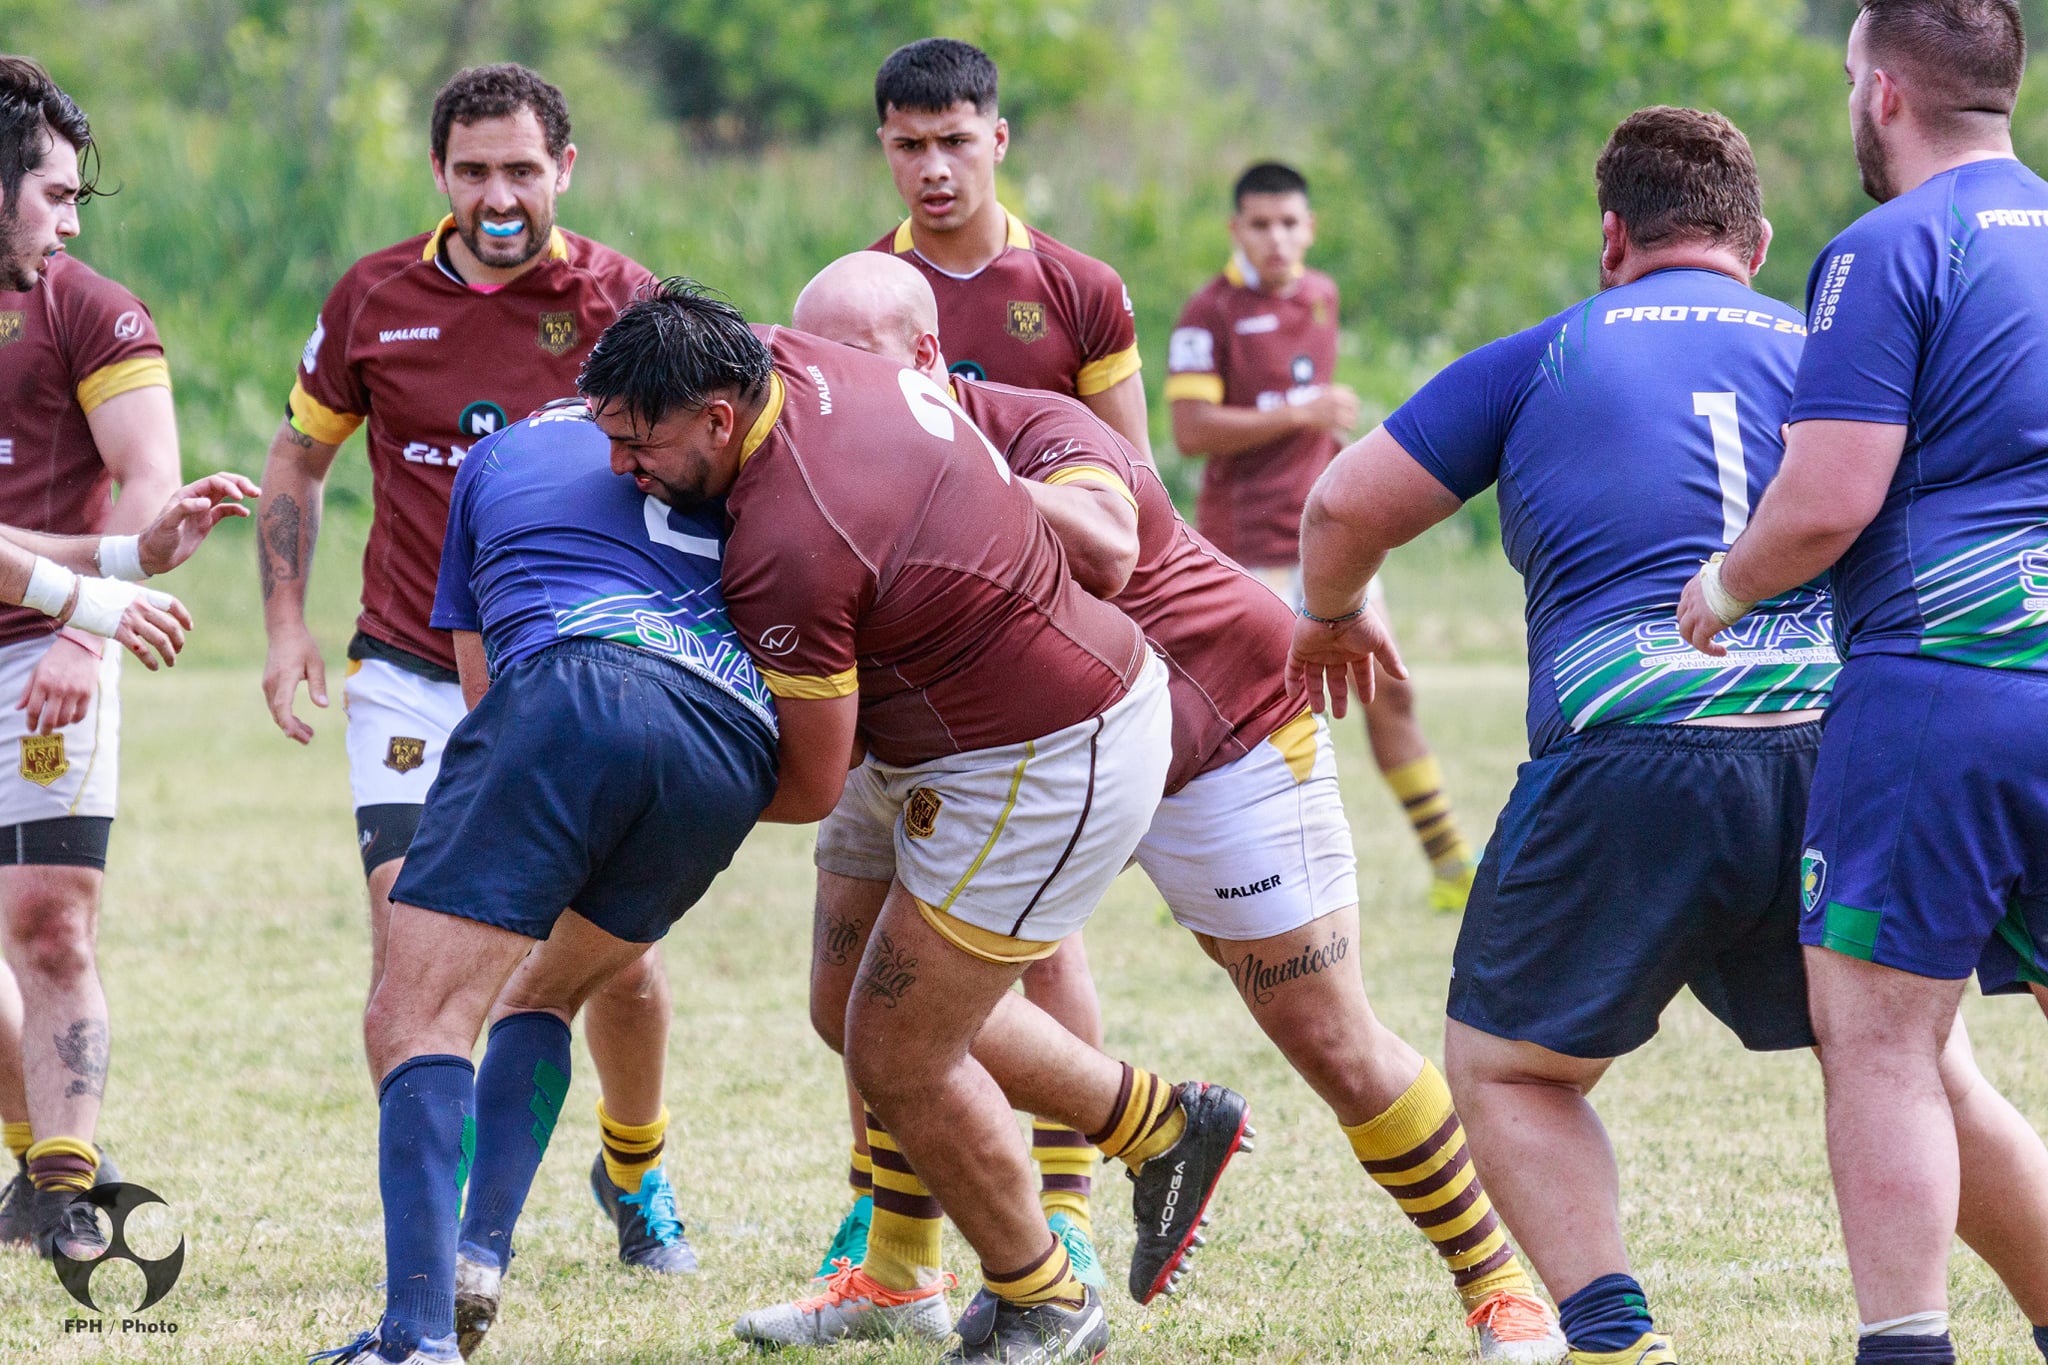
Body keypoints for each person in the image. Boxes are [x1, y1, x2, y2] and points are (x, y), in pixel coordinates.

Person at [740, 249, 1566, 1362]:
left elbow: (1107, 542)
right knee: (867, 1003)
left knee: (1326, 1035)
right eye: (808, 362)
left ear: (928, 358)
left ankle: (1500, 1285)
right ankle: (900, 1273)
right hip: (973, 751)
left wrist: (946, 480)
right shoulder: (807, 467)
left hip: (1213, 728)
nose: (826, 386)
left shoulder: (1034, 427)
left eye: (854, 358)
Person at [1292, 106, 1868, 1364]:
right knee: (1902, 1068)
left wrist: (1329, 616)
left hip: (1627, 748)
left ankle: (1613, 1339)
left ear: (1612, 238)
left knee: (1507, 1070)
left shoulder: (1545, 353)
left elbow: (1339, 505)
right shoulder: (1836, 359)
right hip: (1831, 749)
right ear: (1756, 243)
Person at [580, 280, 1248, 1363]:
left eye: (637, 444)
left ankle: (1043, 1297)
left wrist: (649, 793)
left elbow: (809, 781)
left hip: (1035, 753)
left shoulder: (791, 542)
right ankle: (1149, 1131)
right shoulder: (776, 355)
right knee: (847, 1004)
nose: (620, 467)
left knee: (898, 1047)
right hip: (923, 717)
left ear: (718, 418)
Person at [253, 63, 696, 1274]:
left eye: (520, 170)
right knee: (412, 955)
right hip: (408, 673)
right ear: (438, 174)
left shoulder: (626, 305)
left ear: (565, 169)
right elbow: (297, 463)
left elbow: (701, 475)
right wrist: (286, 625)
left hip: (576, 684)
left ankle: (635, 1169)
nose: (497, 196)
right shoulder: (373, 299)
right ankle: (436, 1230)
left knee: (616, 965)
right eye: (472, 171)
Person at [1675, 5, 2048, 1361]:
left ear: (1882, 92)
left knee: (1882, 1039)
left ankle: (1903, 1347)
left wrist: (1723, 588)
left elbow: (1830, 497)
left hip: (1944, 686)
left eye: (1848, 79)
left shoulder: (1887, 249)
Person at [310, 398, 800, 1365]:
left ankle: (416, 1337)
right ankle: (478, 1256)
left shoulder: (496, 453)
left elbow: (482, 685)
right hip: (730, 743)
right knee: (546, 989)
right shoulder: (730, 446)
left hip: (574, 686)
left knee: (416, 1014)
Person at [860, 35, 1150, 1265]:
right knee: (871, 963)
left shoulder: (1076, 288)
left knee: (1043, 948)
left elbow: (1132, 488)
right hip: (902, 679)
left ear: (997, 138)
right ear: (883, 148)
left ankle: (1065, 1212)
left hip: (1039, 678)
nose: (933, 168)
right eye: (908, 145)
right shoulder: (860, 296)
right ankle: (885, 1232)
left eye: (953, 141)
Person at [1168, 162, 1479, 913]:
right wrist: (1300, 413)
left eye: (1289, 223)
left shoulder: (1322, 295)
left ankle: (1450, 864)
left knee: (1391, 692)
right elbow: (1190, 429)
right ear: (1236, 229)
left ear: (1310, 228)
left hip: (1328, 543)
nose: (1275, 238)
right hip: (1246, 547)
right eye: (1260, 224)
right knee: (1247, 719)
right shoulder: (1207, 314)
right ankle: (1204, 874)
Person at [0, 53, 186, 1259]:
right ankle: (44, 1161)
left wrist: (81, 625)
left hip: (41, 656)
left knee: (52, 928)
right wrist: (104, 586)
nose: (72, 220)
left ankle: (63, 1193)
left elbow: (152, 481)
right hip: (66, 603)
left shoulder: (91, 307)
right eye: (55, 194)